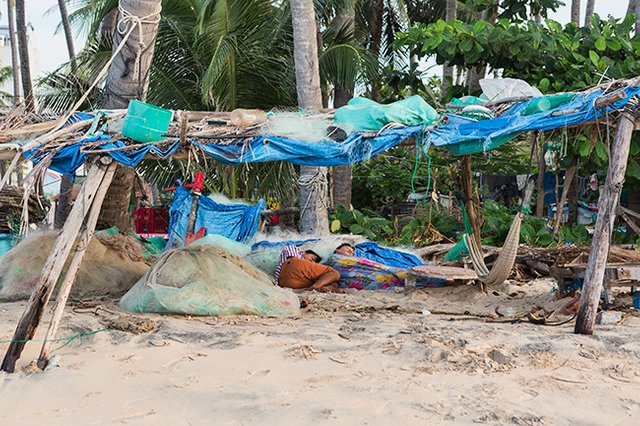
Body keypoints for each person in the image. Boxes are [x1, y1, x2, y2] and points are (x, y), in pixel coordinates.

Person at [275, 245, 341, 292]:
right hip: (294, 266)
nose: (311, 262)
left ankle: (321, 287)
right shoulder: (294, 251)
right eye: (312, 258)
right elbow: (290, 254)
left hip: (284, 283)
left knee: (330, 281)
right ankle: (315, 287)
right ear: (305, 252)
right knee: (334, 273)